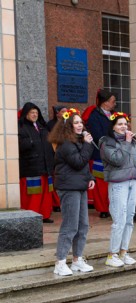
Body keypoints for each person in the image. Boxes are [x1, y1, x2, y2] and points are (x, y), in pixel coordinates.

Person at [101, 112, 136, 267]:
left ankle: (123, 252)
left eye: (125, 124)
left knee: (129, 218)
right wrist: (126, 142)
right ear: (112, 127)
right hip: (118, 183)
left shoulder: (131, 142)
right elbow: (118, 160)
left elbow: (135, 166)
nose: (123, 127)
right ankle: (112, 255)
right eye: (120, 124)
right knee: (119, 219)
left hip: (132, 182)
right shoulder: (106, 142)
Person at [48, 108, 95, 276]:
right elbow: (78, 161)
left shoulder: (78, 141)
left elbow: (82, 165)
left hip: (79, 185)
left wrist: (90, 177)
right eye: (76, 122)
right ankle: (60, 261)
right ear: (68, 125)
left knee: (82, 225)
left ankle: (77, 259)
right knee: (70, 225)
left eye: (81, 122)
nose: (80, 125)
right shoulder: (66, 144)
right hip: (68, 188)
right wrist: (88, 145)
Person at [18, 102, 55, 223]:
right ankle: (31, 217)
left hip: (45, 166)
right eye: (32, 112)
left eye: (36, 113)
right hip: (31, 167)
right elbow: (20, 145)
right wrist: (31, 142)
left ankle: (44, 215)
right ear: (26, 114)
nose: (34, 115)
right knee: (33, 195)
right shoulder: (21, 127)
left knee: (46, 193)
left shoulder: (42, 127)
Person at [84, 89, 117, 218]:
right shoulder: (94, 116)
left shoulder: (115, 115)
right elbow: (97, 135)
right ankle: (103, 208)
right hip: (100, 153)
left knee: (113, 183)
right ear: (105, 103)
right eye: (112, 101)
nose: (114, 104)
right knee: (101, 183)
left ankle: (112, 207)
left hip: (114, 153)